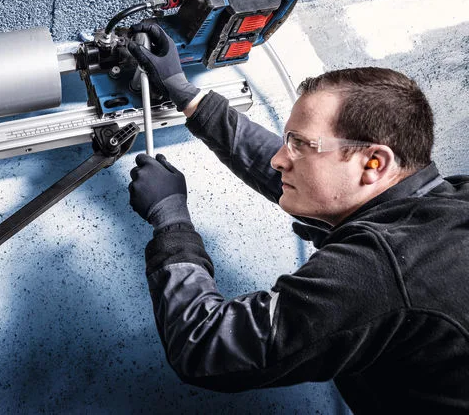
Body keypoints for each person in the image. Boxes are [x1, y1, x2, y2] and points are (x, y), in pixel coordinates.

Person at [125, 22, 469, 413]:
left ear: (374, 162)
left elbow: (205, 346)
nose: (279, 159)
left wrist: (170, 220)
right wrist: (187, 94)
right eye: (289, 141)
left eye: (301, 145)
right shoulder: (444, 199)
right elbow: (304, 179)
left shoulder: (380, 270)